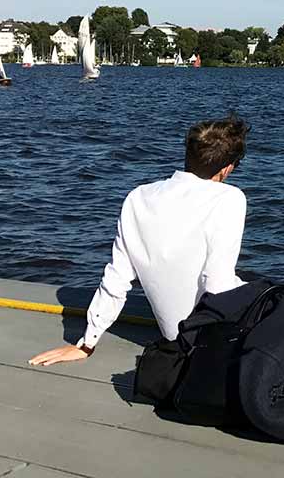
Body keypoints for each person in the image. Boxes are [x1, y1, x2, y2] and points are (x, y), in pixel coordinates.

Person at [28, 116, 250, 366]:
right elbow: (217, 282)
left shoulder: (138, 197)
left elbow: (117, 277)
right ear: (227, 168)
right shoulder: (229, 198)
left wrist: (87, 343)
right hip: (211, 337)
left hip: (175, 335)